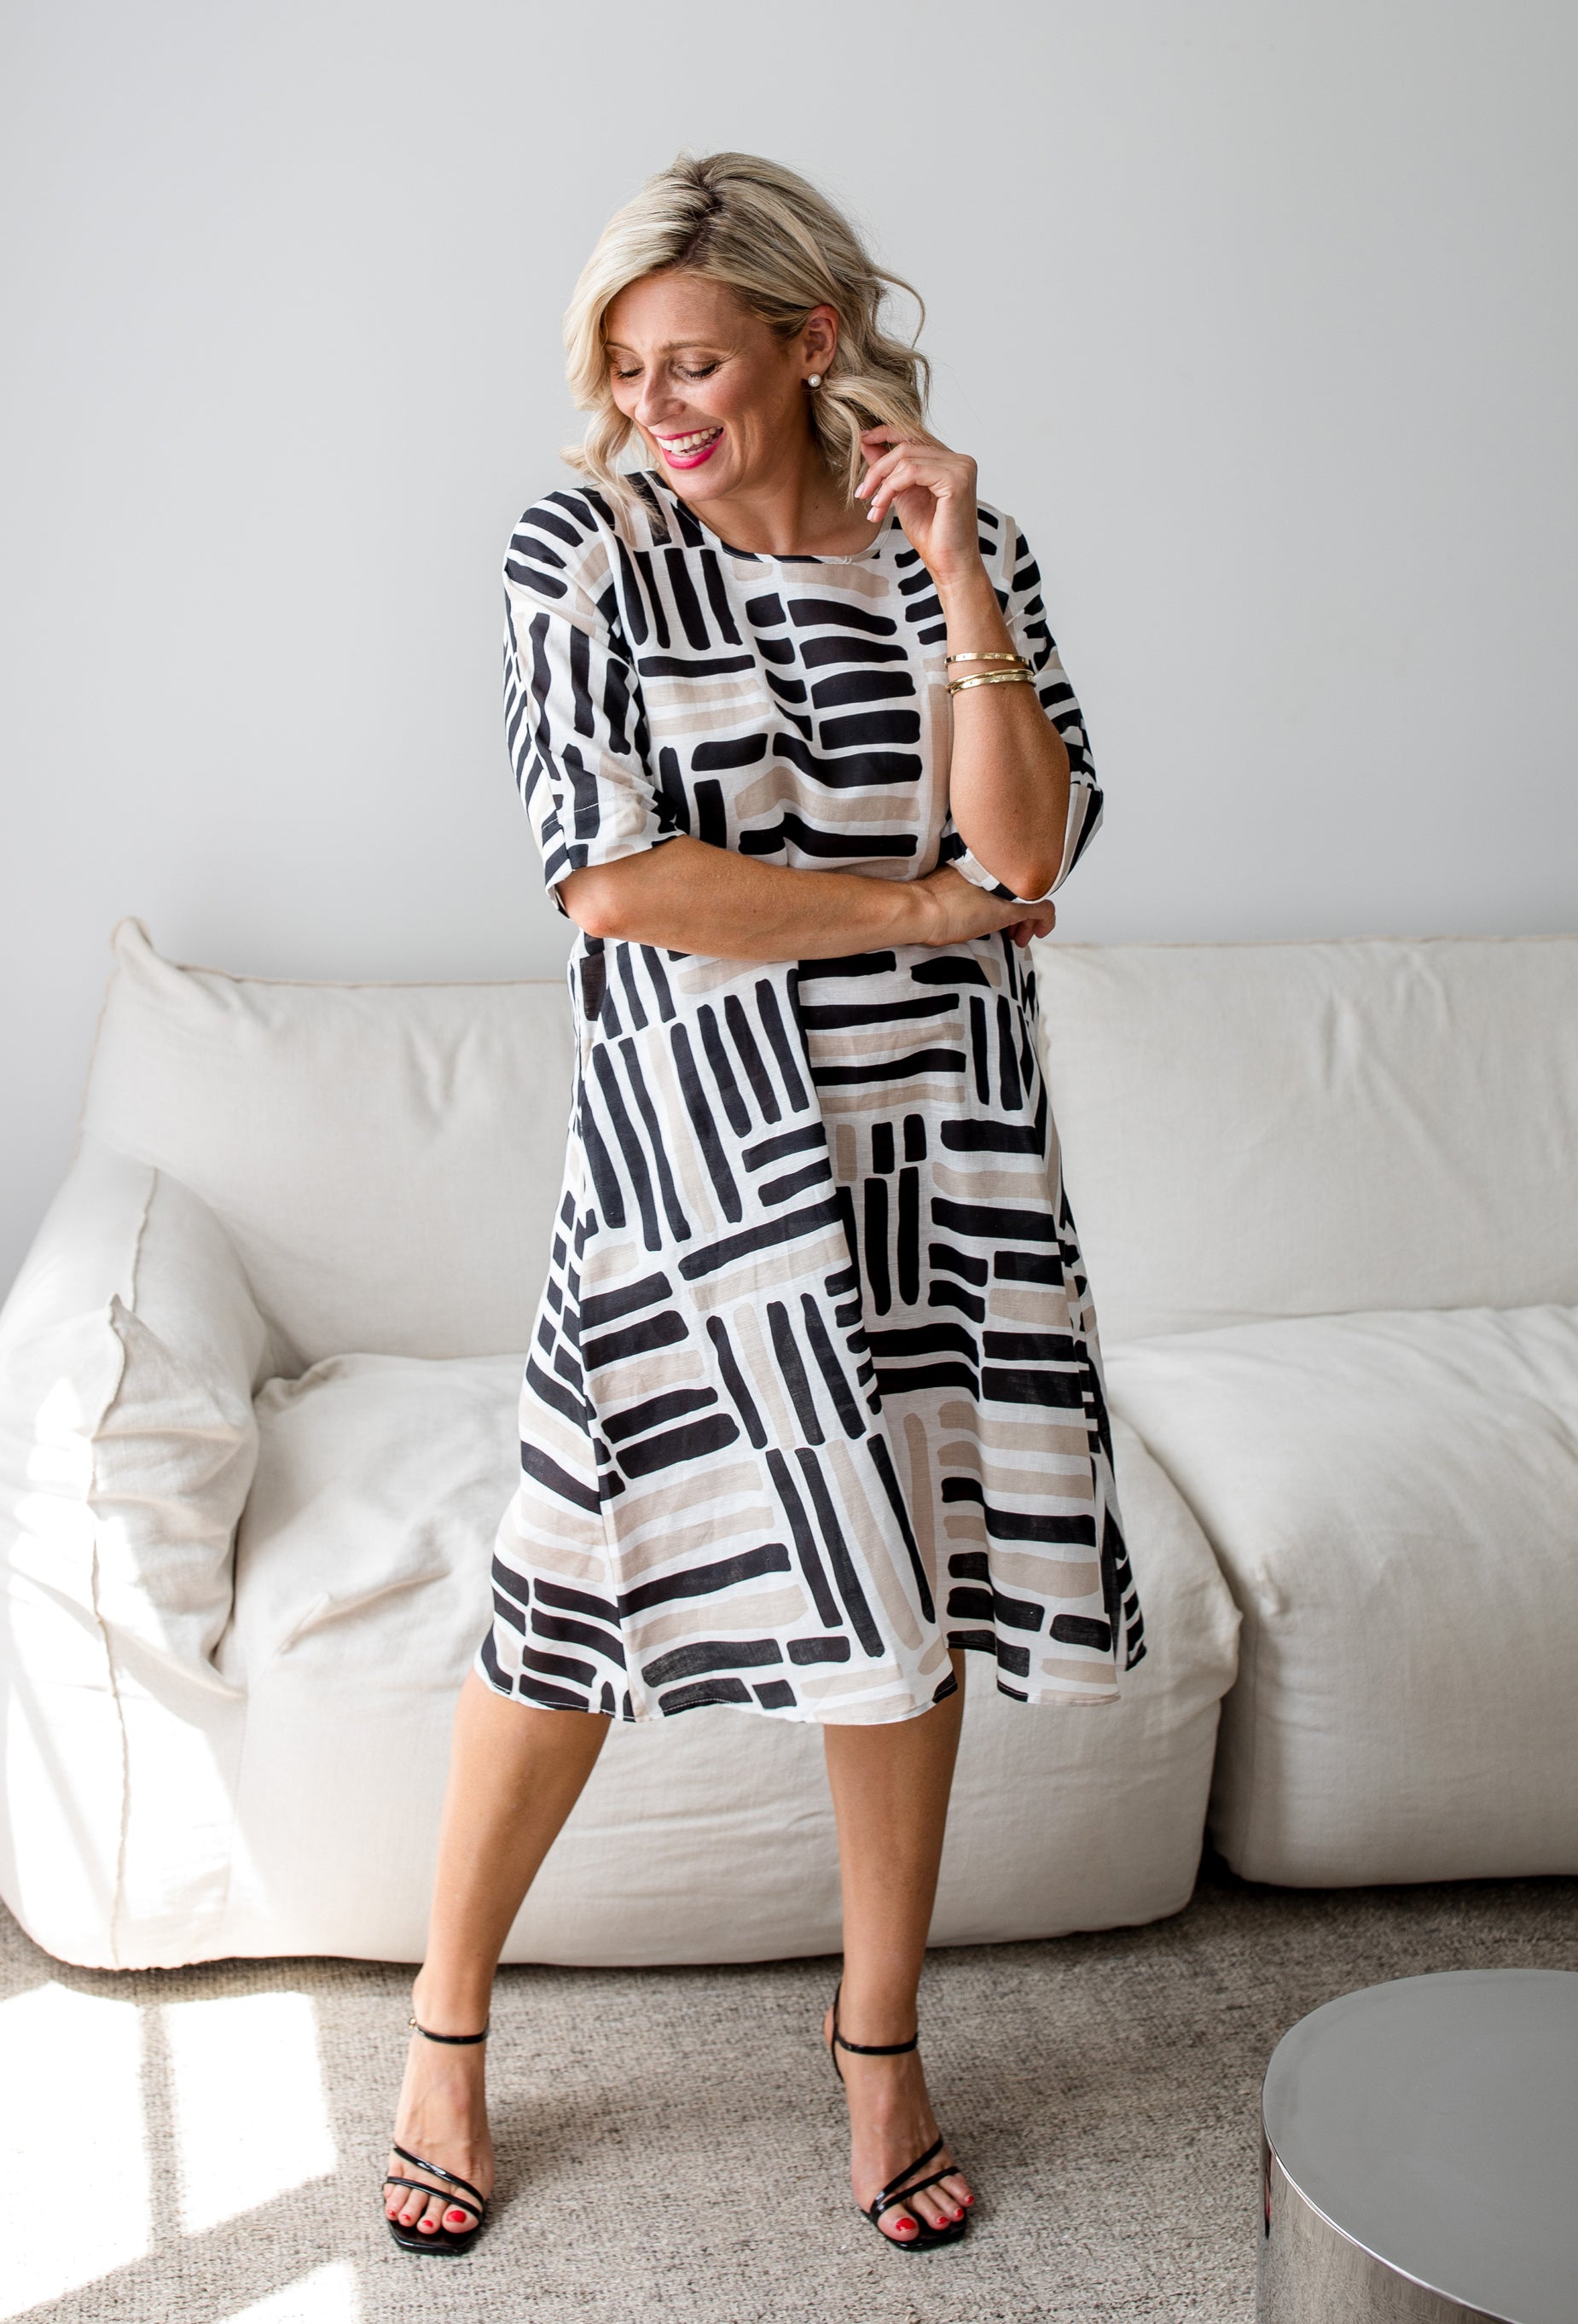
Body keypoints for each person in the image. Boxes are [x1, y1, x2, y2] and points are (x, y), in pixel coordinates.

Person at [384, 148, 1140, 2261]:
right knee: (569, 1596)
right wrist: (914, 909)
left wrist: (961, 574)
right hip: (695, 1154)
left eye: (697, 360)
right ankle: (446, 2032)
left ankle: (876, 2047)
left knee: (908, 1588)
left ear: (815, 344)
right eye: (629, 368)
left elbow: (1033, 841)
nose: (658, 406)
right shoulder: (587, 549)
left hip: (940, 1147)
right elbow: (616, 879)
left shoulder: (940, 543)